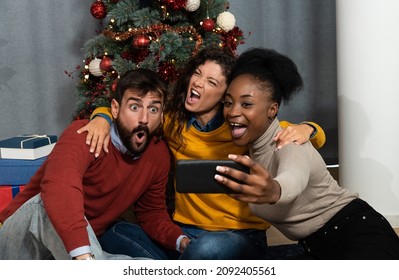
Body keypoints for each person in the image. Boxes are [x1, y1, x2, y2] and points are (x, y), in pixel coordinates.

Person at [79, 47, 326, 259]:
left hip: (237, 236)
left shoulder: (244, 128)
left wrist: (308, 128)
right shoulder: (173, 123)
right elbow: (131, 113)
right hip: (184, 233)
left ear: (225, 96)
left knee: (208, 248)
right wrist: (101, 117)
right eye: (198, 74)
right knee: (113, 232)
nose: (198, 83)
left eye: (211, 82)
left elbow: (310, 137)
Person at [214, 47, 399, 259]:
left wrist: (275, 190)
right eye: (228, 103)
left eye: (246, 104)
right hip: (317, 247)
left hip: (357, 235)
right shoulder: (247, 150)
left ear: (272, 109)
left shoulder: (290, 142)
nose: (233, 111)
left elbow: (293, 179)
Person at [0, 68, 188, 260]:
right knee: (46, 203)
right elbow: (59, 187)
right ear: (115, 109)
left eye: (153, 109)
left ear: (162, 114)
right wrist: (84, 258)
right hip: (21, 244)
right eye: (134, 107)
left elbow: (151, 213)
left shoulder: (158, 155)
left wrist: (180, 240)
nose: (144, 119)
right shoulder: (85, 134)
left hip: (78, 250)